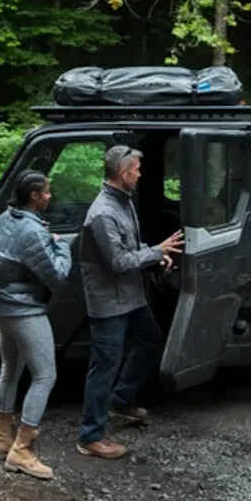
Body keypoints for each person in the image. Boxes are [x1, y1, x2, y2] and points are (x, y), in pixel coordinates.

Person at [76, 145, 183, 460]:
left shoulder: (123, 203)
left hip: (131, 297)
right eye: (136, 169)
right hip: (109, 303)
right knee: (103, 366)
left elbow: (130, 248)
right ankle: (90, 437)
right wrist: (156, 251)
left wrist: (156, 256)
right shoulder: (102, 213)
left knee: (150, 342)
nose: (139, 173)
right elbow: (118, 261)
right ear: (123, 173)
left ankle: (121, 401)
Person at [0, 169, 74, 479]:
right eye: (46, 192)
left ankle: (0, 439)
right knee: (45, 375)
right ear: (34, 196)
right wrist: (62, 246)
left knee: (10, 369)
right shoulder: (33, 233)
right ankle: (22, 451)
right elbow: (58, 277)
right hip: (24, 311)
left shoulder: (5, 219)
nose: (50, 196)